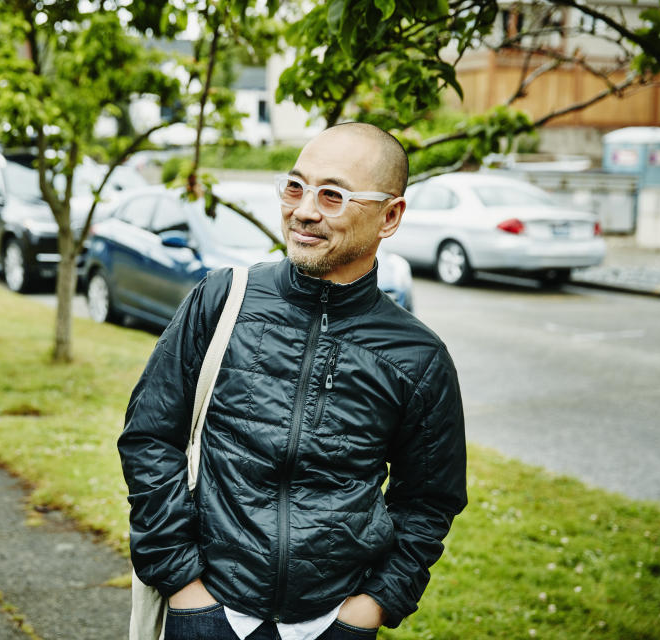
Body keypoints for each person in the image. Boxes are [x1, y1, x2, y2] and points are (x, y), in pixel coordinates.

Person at [118, 122, 467, 640]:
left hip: (330, 626)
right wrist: (183, 586)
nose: (304, 210)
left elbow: (428, 501)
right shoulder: (222, 302)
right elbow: (150, 437)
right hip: (208, 611)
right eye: (295, 186)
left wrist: (371, 606)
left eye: (332, 195)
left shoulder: (417, 357)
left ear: (389, 216)